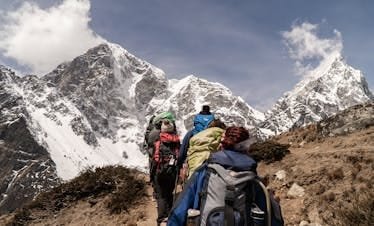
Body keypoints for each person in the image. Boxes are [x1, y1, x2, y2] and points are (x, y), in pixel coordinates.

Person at [166, 127, 284, 226]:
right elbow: (273, 217)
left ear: (223, 144)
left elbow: (179, 211)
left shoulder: (205, 171)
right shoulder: (252, 179)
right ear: (247, 148)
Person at [145, 112, 180, 226]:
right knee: (169, 194)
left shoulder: (157, 140)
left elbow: (154, 158)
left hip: (160, 171)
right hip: (172, 171)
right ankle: (170, 218)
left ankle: (161, 219)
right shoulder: (176, 140)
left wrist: (153, 174)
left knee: (161, 195)